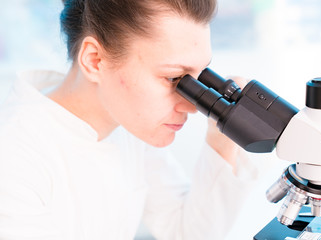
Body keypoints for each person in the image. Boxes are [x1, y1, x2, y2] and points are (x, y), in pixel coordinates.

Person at [0, 0, 258, 239]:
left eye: (198, 78)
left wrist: (222, 134)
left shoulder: (125, 122)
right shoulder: (14, 159)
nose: (192, 107)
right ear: (95, 60)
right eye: (173, 79)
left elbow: (186, 231)